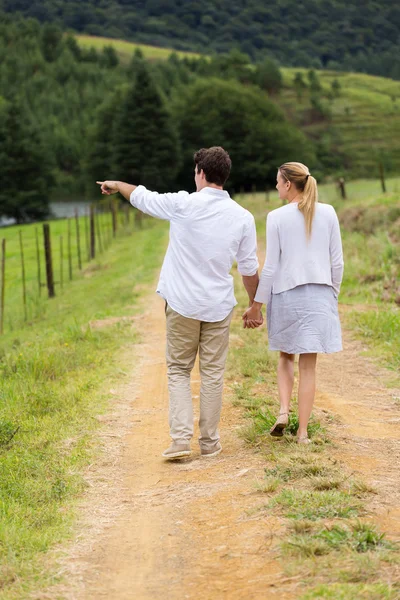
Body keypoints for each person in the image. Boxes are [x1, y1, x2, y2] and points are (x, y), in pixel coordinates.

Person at [97, 147, 262, 460]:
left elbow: (143, 197)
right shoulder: (243, 217)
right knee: (213, 374)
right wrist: (255, 305)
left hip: (182, 304)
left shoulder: (183, 204)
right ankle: (210, 443)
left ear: (200, 173)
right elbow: (249, 268)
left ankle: (181, 440)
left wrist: (117, 185)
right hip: (217, 305)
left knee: (178, 371)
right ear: (224, 176)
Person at [243, 162, 344, 443]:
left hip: (287, 295)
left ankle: (284, 412)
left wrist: (257, 305)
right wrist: (331, 293)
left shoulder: (276, 217)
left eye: (278, 181)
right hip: (320, 293)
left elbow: (272, 266)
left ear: (288, 184)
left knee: (286, 356)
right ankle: (302, 433)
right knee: (308, 366)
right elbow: (338, 262)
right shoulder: (329, 213)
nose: (275, 185)